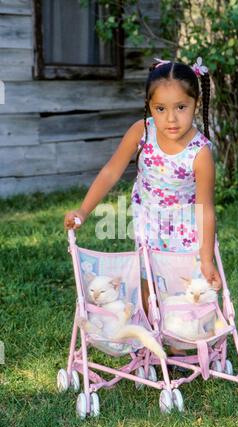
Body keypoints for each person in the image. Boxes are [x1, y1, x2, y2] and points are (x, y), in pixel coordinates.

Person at [64, 57, 223, 348]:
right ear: (150, 107)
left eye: (181, 107)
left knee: (185, 287)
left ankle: (185, 342)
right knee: (149, 282)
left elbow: (205, 207)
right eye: (160, 109)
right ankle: (155, 339)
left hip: (187, 228)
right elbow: (111, 171)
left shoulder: (199, 153)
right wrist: (83, 210)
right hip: (149, 221)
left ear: (196, 105)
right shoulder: (142, 131)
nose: (171, 119)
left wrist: (207, 255)